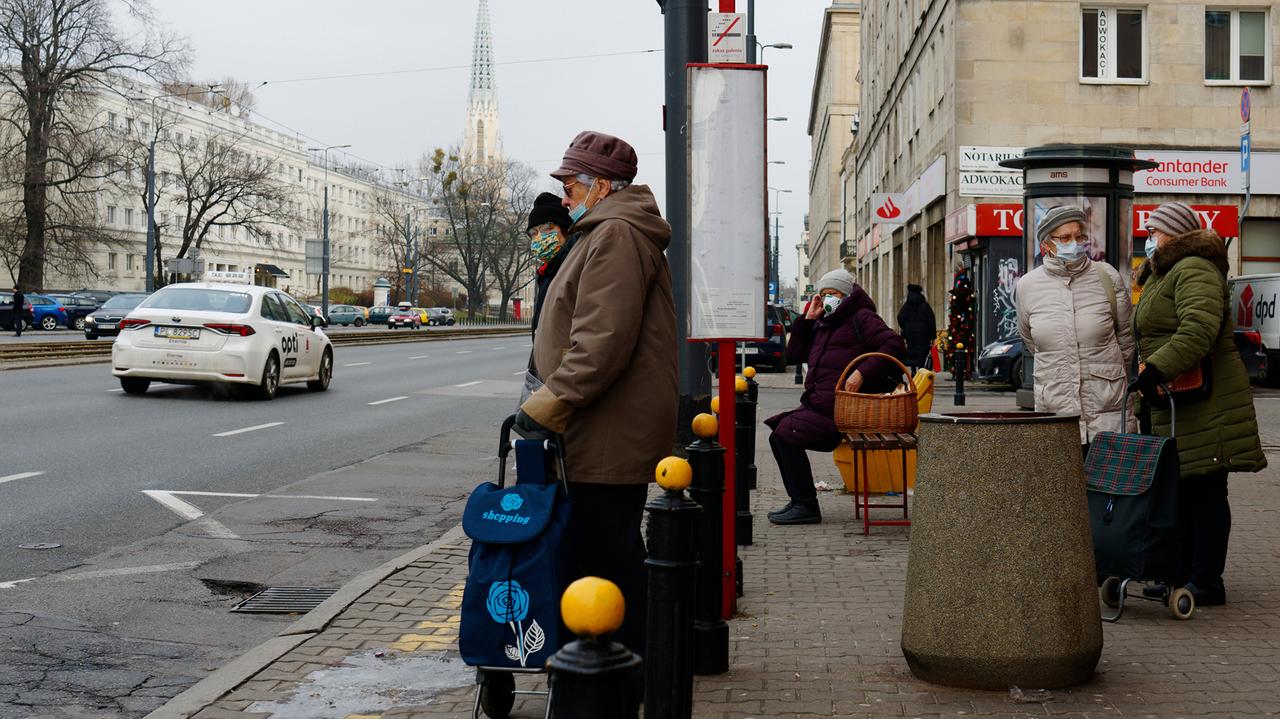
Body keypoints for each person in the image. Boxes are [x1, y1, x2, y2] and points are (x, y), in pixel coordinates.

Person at [515, 130, 676, 653]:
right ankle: (631, 668)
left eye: (570, 186)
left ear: (601, 186)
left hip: (606, 430)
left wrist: (546, 406)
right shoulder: (603, 231)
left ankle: (631, 674)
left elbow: (601, 342)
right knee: (604, 554)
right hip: (598, 427)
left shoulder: (617, 236)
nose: (565, 197)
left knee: (608, 558)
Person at [1130, 201, 1266, 607]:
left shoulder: (1194, 268)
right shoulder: (1165, 271)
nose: (1149, 237)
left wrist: (1155, 368)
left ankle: (1206, 580)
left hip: (1205, 400)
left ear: (1175, 233)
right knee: (1181, 489)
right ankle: (1181, 572)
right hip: (1176, 398)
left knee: (1205, 489)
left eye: (1154, 230)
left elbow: (1199, 329)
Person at [764, 269, 907, 525]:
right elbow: (795, 355)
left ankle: (806, 505)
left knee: (784, 435)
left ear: (847, 295)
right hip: (822, 405)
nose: (828, 299)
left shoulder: (862, 317)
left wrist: (862, 373)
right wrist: (808, 319)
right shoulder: (824, 322)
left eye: (834, 294)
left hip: (843, 410)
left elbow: (894, 346)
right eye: (824, 294)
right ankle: (801, 501)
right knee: (779, 435)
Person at [1016, 205, 1134, 453]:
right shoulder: (1028, 285)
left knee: (1108, 488)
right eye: (1065, 238)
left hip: (1107, 412)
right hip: (1057, 410)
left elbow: (1126, 338)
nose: (1074, 243)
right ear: (1046, 244)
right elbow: (1031, 340)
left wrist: (1108, 376)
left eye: (1079, 236)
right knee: (1063, 488)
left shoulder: (1106, 276)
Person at [525, 191, 577, 347]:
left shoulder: (574, 267)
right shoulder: (547, 273)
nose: (539, 237)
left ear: (566, 230)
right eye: (533, 233)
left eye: (548, 228)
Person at [897, 283, 936, 372]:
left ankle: (913, 370)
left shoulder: (907, 305)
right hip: (924, 335)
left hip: (911, 335)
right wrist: (933, 336)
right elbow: (931, 320)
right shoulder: (925, 305)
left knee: (912, 352)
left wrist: (905, 328)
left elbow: (900, 317)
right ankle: (921, 370)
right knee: (922, 353)